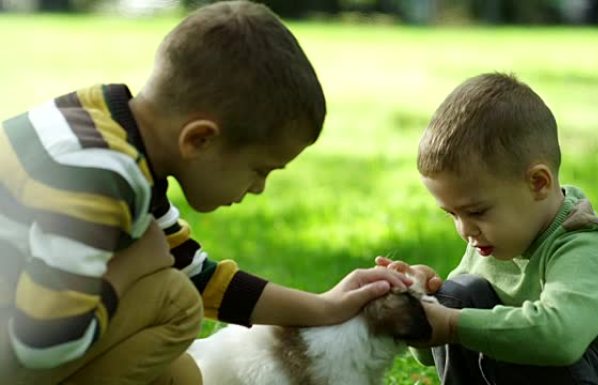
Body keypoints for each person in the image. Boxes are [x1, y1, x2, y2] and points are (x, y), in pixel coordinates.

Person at [0, 2, 411, 384]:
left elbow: (197, 272)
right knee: (174, 301)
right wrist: (133, 266)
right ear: (199, 140)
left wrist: (324, 307)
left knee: (181, 376)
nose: (258, 188)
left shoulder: (111, 130)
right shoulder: (98, 176)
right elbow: (45, 343)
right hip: (32, 336)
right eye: (259, 169)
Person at [377, 72, 598, 384]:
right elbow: (434, 351)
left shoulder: (590, 248)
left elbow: (558, 340)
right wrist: (421, 305)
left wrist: (454, 324)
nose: (465, 230)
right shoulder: (490, 243)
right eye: (452, 215)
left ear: (538, 183)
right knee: (458, 296)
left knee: (529, 339)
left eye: (477, 211)